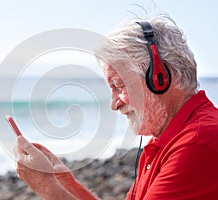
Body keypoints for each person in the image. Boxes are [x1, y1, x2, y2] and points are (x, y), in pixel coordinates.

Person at [14, 14, 218, 199]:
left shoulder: (197, 144)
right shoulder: (168, 140)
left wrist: (48, 188)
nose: (114, 104)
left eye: (118, 85)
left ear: (159, 77)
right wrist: (66, 183)